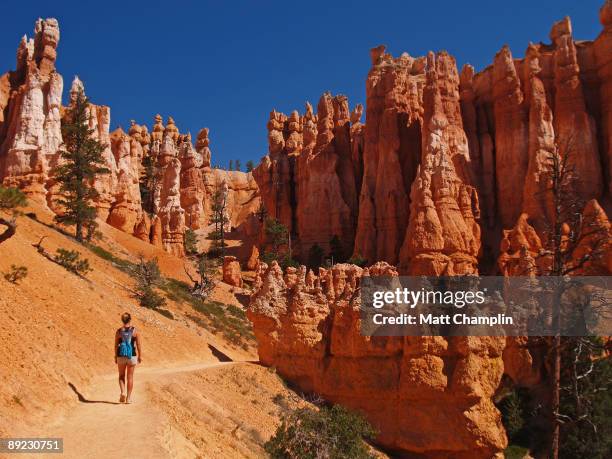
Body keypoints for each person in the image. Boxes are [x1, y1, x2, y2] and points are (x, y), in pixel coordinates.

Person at [114, 312, 142, 403]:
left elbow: (115, 345)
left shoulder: (118, 331)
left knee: (121, 376)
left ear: (122, 320)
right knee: (130, 377)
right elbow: (138, 344)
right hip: (131, 356)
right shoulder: (135, 331)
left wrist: (115, 356)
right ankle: (128, 398)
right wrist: (140, 356)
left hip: (121, 355)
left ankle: (122, 392)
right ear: (130, 319)